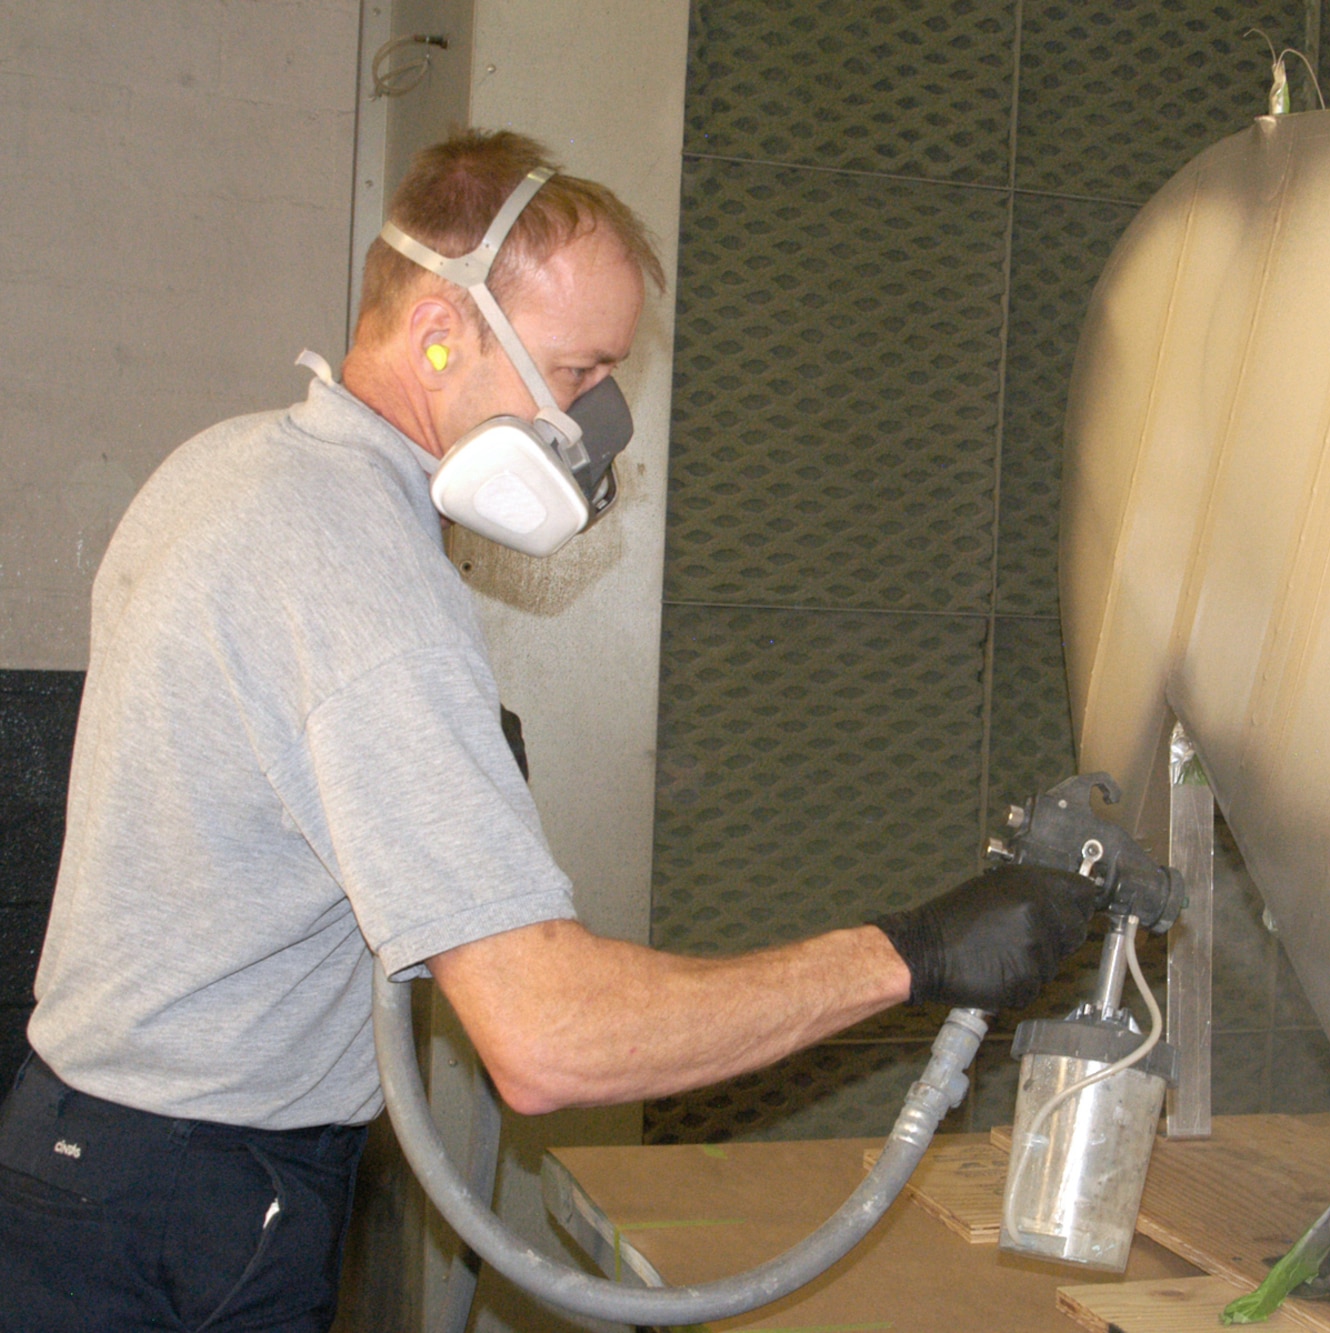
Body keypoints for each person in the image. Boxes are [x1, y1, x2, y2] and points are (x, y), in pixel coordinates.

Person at [0, 130, 1098, 1332]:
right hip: (190, 1204)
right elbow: (545, 1041)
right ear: (438, 331)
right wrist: (912, 952)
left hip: (83, 1151)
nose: (592, 430)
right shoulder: (362, 580)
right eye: (577, 374)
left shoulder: (230, 468)